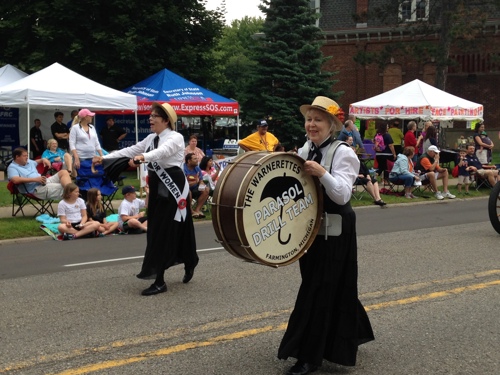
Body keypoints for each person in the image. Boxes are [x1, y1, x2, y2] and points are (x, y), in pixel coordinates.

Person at [278, 96, 374, 374]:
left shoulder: (344, 153)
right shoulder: (306, 148)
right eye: (309, 119)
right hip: (311, 228)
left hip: (336, 227)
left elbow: (343, 194)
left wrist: (322, 173)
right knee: (326, 283)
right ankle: (350, 332)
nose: (311, 124)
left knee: (318, 288)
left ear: (332, 125)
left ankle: (309, 355)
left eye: (318, 119)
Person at [93, 102, 198, 296]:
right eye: (150, 115)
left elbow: (161, 153)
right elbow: (131, 150)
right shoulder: (151, 138)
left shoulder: (175, 137)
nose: (150, 118)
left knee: (167, 230)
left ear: (166, 120)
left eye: (154, 116)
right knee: (159, 229)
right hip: (158, 186)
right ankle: (188, 260)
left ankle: (161, 280)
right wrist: (106, 158)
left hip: (173, 187)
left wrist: (143, 157)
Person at [70, 109, 104, 174]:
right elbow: (72, 144)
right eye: (90, 116)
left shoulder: (92, 127)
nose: (92, 117)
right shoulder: (75, 128)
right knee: (83, 176)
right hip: (81, 158)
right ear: (85, 117)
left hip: (92, 157)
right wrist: (76, 158)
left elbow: (96, 143)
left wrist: (102, 156)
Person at [183, 153, 209, 218]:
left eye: (197, 158)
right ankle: (191, 211)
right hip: (184, 189)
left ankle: (197, 210)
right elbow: (184, 184)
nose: (197, 160)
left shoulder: (197, 168)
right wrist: (195, 182)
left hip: (195, 188)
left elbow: (201, 180)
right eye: (195, 159)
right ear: (189, 161)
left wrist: (201, 184)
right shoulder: (183, 168)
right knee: (188, 192)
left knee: (206, 189)